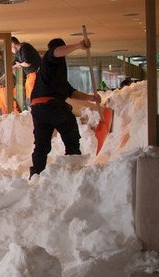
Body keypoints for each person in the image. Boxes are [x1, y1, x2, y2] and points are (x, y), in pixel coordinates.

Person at [28, 38, 102, 178]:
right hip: (52, 106)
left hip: (38, 109)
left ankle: (36, 175)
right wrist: (78, 45)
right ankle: (73, 171)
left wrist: (91, 98)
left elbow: (71, 92)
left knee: (41, 145)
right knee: (71, 137)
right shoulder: (49, 60)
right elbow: (55, 52)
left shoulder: (55, 74)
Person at [11, 35, 42, 106]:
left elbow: (27, 63)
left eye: (10, 48)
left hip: (35, 73)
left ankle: (35, 109)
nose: (11, 51)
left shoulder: (25, 47)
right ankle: (31, 110)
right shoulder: (18, 52)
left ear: (13, 44)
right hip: (30, 75)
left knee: (33, 95)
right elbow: (13, 64)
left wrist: (20, 65)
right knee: (29, 96)